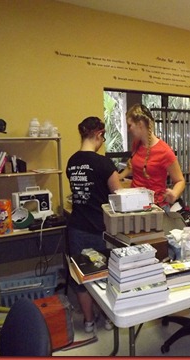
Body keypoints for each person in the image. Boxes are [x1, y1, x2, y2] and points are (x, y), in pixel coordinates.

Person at [66, 116, 122, 333]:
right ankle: (108, 318)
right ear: (99, 134)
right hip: (100, 228)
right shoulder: (103, 163)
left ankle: (88, 321)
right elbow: (117, 196)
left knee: (81, 275)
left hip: (77, 226)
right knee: (105, 275)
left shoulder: (72, 161)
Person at [120, 104, 185, 210]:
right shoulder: (137, 144)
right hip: (135, 204)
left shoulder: (165, 151)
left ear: (140, 124)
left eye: (130, 125)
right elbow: (132, 166)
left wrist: (174, 194)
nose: (128, 130)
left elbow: (180, 180)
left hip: (156, 207)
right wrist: (118, 177)